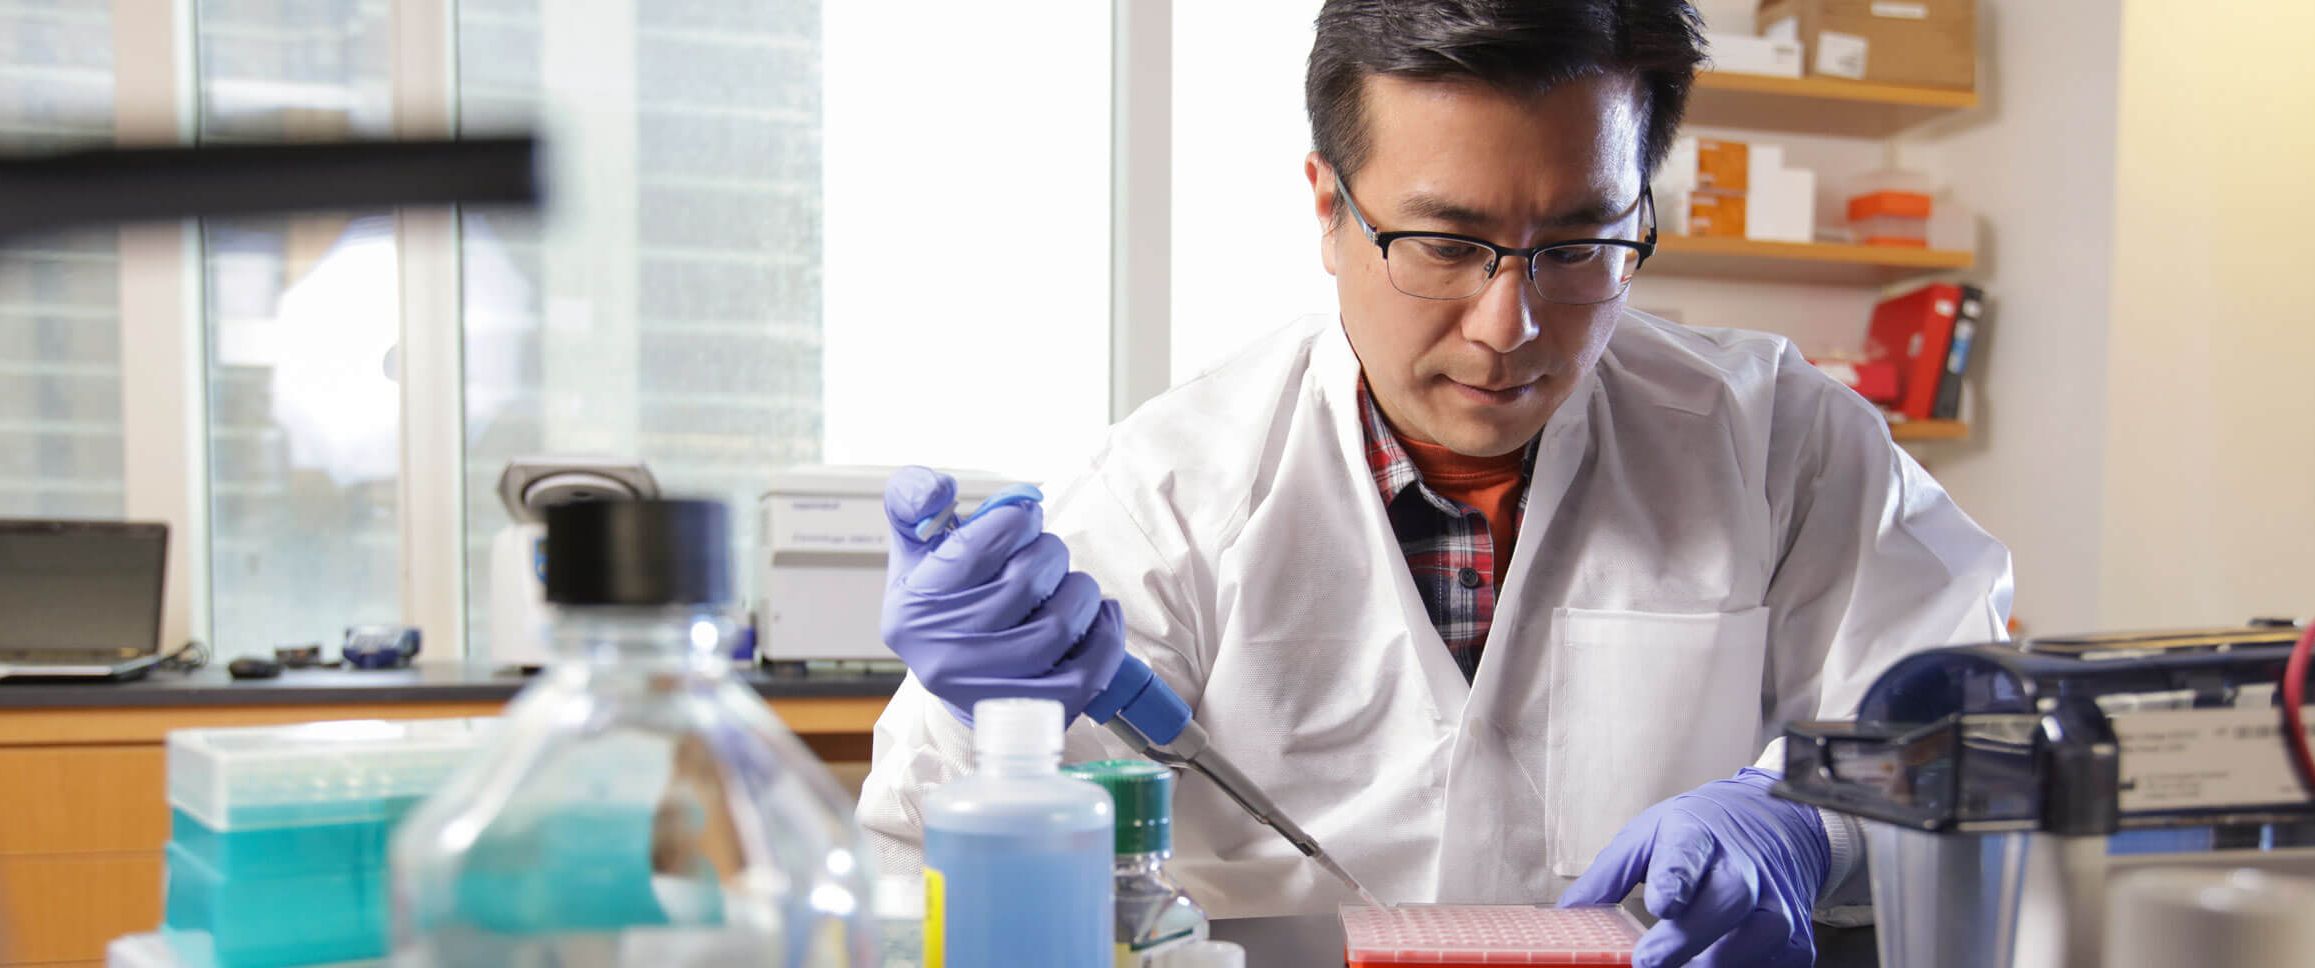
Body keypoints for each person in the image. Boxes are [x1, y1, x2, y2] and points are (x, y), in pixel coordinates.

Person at [857, 2, 2012, 966]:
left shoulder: (1777, 437)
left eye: (1577, 246)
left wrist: (1801, 818)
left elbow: (1967, 712)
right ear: (1330, 211)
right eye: (1447, 245)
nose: (1508, 326)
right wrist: (977, 714)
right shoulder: (1171, 484)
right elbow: (924, 860)